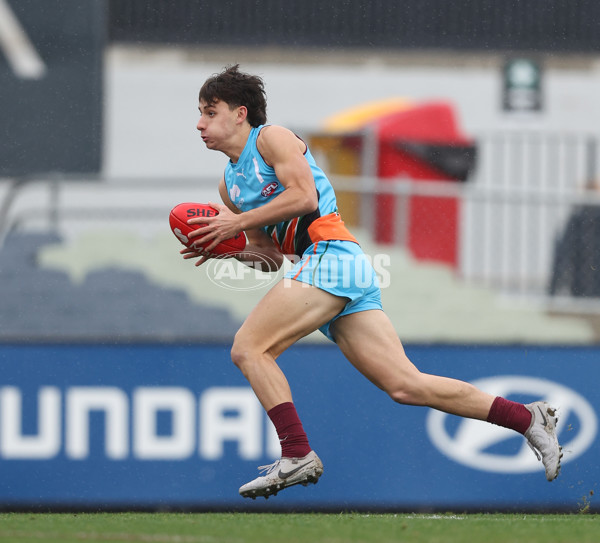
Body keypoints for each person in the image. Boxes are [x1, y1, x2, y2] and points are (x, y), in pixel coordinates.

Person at [181, 64, 562, 499]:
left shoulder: (271, 139)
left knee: (249, 349)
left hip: (332, 257)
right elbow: (270, 257)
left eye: (209, 112)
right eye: (199, 113)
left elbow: (304, 197)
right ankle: (527, 419)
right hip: (324, 266)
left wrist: (238, 223)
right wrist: (226, 247)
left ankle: (296, 453)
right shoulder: (229, 184)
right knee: (406, 385)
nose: (199, 122)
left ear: (240, 114)